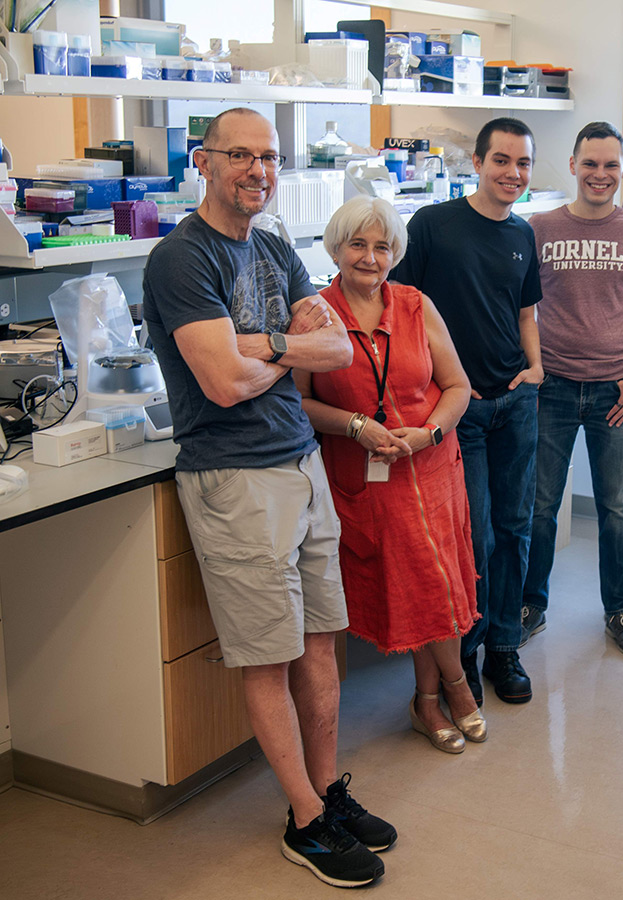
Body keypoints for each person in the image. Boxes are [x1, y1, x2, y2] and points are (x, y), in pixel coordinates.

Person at [142, 108, 396, 889]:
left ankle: (324, 793)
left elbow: (336, 345)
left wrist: (265, 344)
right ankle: (305, 822)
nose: (259, 170)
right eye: (241, 155)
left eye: (271, 158)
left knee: (320, 642)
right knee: (269, 655)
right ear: (204, 162)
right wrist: (287, 349)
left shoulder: (275, 247)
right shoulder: (182, 258)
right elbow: (222, 384)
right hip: (236, 477)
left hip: (299, 462)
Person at [293, 195, 484, 754]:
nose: (370, 258)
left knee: (437, 581)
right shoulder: (314, 316)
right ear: (336, 248)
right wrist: (354, 425)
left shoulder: (416, 306)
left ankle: (429, 700)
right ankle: (453, 688)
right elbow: (298, 402)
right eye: (358, 244)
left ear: (396, 254)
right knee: (419, 583)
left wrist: (430, 433)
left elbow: (457, 386)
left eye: (382, 247)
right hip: (367, 476)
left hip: (432, 466)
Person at [392, 118, 543, 704]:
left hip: (515, 403)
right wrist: (441, 387)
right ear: (477, 163)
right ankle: (466, 656)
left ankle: (505, 646)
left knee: (514, 528)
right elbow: (402, 309)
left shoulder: (523, 232)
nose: (513, 173)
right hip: (460, 412)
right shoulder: (433, 225)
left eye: (523, 163)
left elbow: (525, 312)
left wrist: (535, 368)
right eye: (501, 160)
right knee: (473, 538)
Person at [521, 121, 623, 657]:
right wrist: (534, 367)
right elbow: (522, 308)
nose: (600, 174)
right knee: (540, 505)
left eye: (610, 165)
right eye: (590, 163)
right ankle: (530, 606)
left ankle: (621, 610)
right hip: (553, 387)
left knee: (617, 507)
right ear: (573, 165)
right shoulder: (539, 227)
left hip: (617, 391)